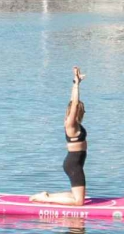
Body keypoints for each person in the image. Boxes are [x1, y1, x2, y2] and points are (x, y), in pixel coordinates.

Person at [31, 67, 88, 205]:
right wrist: (76, 84)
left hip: (76, 163)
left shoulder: (75, 124)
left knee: (75, 196)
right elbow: (74, 103)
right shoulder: (71, 124)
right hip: (73, 164)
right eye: (83, 109)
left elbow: (71, 103)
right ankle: (44, 199)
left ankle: (47, 195)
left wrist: (76, 82)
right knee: (79, 201)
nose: (85, 111)